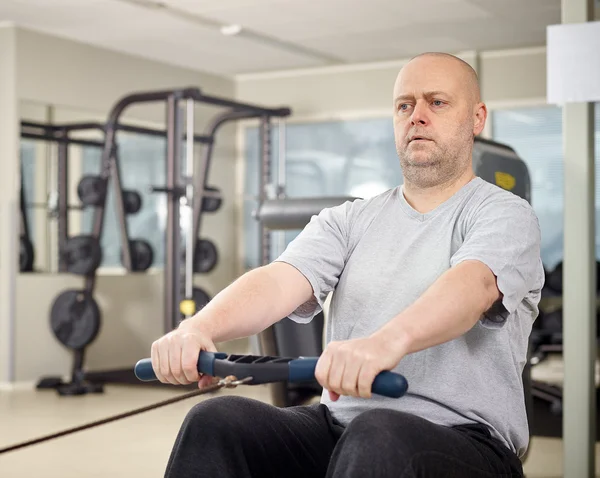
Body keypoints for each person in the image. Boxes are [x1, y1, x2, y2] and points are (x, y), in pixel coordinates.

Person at [151, 52, 544, 478]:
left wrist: (385, 343)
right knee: (217, 422)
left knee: (377, 435)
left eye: (438, 102)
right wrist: (197, 328)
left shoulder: (504, 213)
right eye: (405, 105)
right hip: (342, 426)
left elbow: (473, 287)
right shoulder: (350, 219)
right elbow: (279, 281)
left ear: (477, 118)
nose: (418, 116)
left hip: (467, 439)